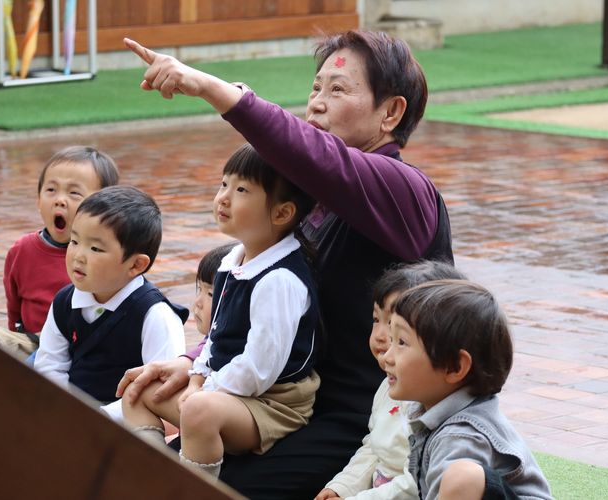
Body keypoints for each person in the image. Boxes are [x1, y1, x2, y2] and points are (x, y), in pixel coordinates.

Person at [117, 30, 453, 497]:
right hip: (287, 398)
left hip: (365, 416)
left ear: (390, 113)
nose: (316, 103)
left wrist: (215, 89)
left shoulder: (407, 191)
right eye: (315, 89)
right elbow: (264, 314)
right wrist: (192, 362)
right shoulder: (312, 200)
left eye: (337, 90)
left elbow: (318, 157)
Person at [122, 144, 320, 479]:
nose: (224, 197)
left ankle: (194, 488)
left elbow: (260, 367)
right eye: (223, 184)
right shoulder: (234, 261)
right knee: (138, 387)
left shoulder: (280, 279)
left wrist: (205, 390)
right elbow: (217, 335)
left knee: (198, 411)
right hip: (225, 390)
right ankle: (155, 473)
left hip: (275, 403)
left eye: (241, 189)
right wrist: (197, 376)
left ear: (282, 213)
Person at [384, 280, 552, 500]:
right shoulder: (435, 411)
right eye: (391, 340)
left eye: (402, 343)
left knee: (462, 477)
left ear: (455, 367)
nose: (387, 357)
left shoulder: (459, 436)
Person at [316, 261, 467, 500]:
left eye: (400, 334)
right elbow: (375, 447)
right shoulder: (390, 386)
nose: (380, 336)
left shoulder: (450, 422)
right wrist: (342, 488)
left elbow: (414, 486)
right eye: (377, 319)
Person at [34, 185, 188, 409]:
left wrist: (100, 418)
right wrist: (63, 410)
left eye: (95, 248)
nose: (78, 255)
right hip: (70, 412)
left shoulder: (155, 315)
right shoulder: (65, 302)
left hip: (125, 422)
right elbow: (50, 365)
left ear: (136, 264)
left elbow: (161, 391)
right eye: (74, 241)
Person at [0, 146, 119, 360]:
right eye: (51, 190)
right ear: (38, 201)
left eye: (74, 193)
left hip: (86, 347)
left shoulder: (107, 255)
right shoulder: (22, 250)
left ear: (103, 208)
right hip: (35, 341)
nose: (60, 200)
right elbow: (14, 307)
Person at [184, 242, 237, 365]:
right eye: (199, 289)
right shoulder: (213, 338)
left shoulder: (235, 353)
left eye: (210, 294)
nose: (198, 302)